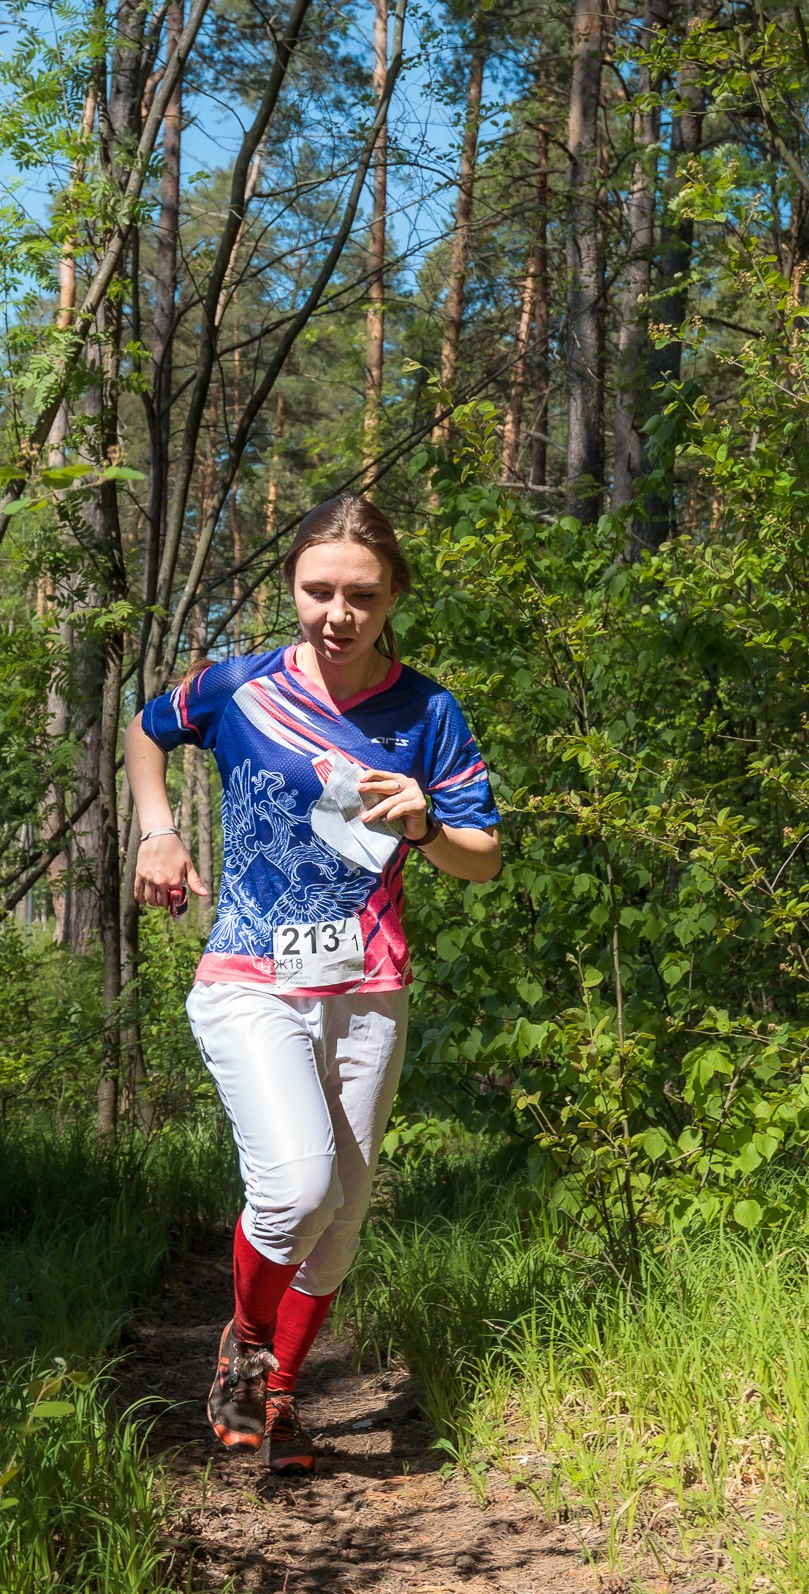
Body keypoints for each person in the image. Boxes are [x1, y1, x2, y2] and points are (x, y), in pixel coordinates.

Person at [127, 492, 502, 1472]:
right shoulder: (239, 688)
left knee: (340, 1213)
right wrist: (157, 830)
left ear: (391, 600)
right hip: (249, 974)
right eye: (317, 590)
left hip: (369, 984)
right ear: (291, 586)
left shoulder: (427, 712)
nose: (337, 613)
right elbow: (145, 730)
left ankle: (280, 1393)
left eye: (361, 596)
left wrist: (423, 822)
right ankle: (242, 1352)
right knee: (296, 1185)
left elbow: (482, 858)